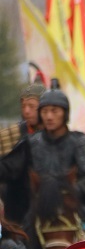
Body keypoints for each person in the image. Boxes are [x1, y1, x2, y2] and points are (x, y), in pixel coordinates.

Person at [9, 89, 85, 233]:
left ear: (65, 113)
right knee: (21, 243)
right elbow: (15, 175)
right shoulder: (30, 143)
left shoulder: (80, 141)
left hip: (75, 208)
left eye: (54, 111)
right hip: (38, 208)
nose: (49, 116)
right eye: (44, 112)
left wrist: (64, 192)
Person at [0, 83, 46, 224]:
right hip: (17, 210)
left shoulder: (57, 136)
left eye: (32, 106)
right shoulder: (12, 135)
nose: (26, 111)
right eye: (23, 106)